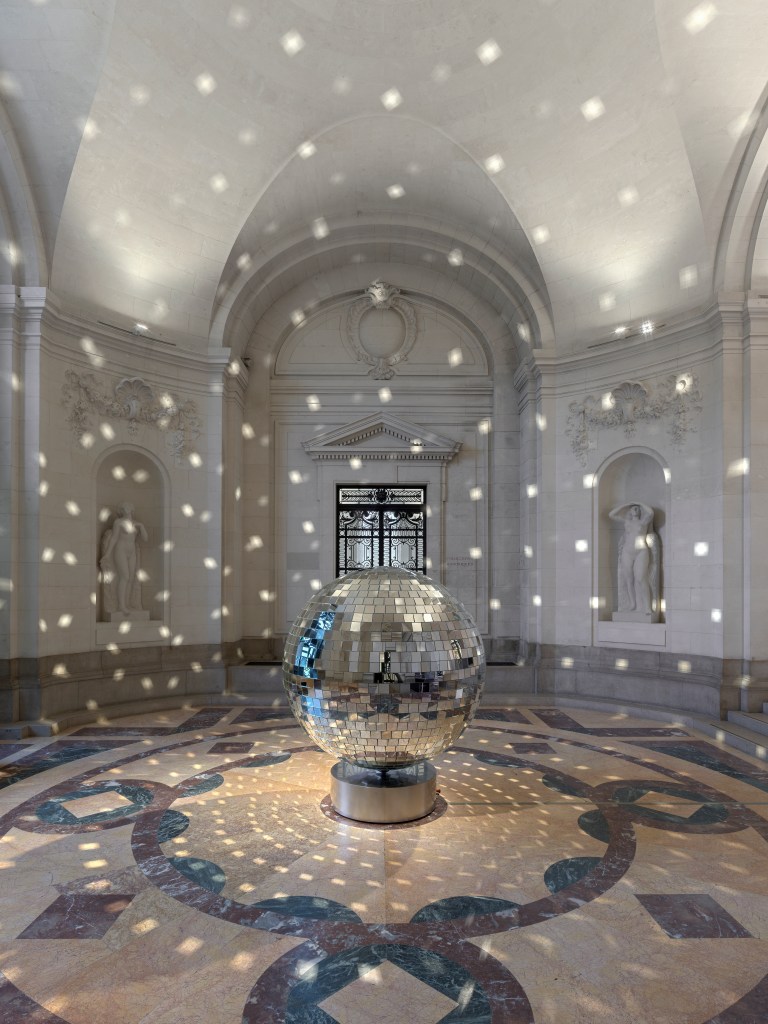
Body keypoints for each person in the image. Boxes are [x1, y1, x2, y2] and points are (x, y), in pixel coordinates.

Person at [608, 502, 659, 615]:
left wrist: (640, 504)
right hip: (627, 552)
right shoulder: (627, 521)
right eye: (633, 509)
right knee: (629, 579)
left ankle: (647, 606)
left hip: (641, 551)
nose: (635, 510)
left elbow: (651, 512)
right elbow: (611, 515)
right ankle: (632, 603)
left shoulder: (644, 521)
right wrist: (626, 504)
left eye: (637, 508)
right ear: (630, 511)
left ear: (640, 511)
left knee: (641, 578)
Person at [100, 502, 148, 615]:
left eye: (129, 507)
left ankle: (127, 603)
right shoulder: (118, 522)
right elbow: (114, 538)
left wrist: (142, 526)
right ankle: (121, 605)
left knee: (130, 578)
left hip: (132, 552)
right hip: (120, 550)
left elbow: (146, 539)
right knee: (125, 576)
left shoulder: (136, 524)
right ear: (121, 510)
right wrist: (107, 554)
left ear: (132, 509)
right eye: (124, 507)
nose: (127, 508)